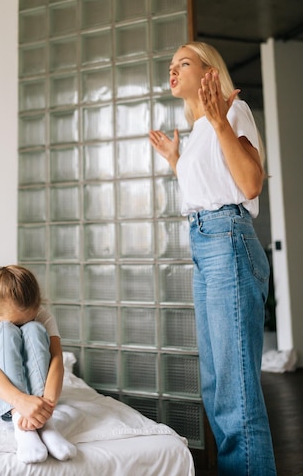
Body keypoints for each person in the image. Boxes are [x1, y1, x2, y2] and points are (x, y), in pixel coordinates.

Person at [149, 42, 276, 476]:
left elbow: (250, 183)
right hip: (205, 242)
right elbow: (208, 186)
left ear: (209, 71)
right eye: (170, 65)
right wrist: (176, 160)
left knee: (235, 389)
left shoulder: (231, 111)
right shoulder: (203, 126)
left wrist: (221, 121)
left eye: (183, 62)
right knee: (217, 386)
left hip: (227, 240)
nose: (173, 69)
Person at [0, 264, 77, 464]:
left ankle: (44, 425)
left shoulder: (43, 317)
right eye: (17, 323)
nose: (21, 327)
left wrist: (46, 407)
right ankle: (21, 426)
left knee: (35, 329)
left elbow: (57, 359)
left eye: (29, 318)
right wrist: (19, 402)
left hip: (35, 400)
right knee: (4, 332)